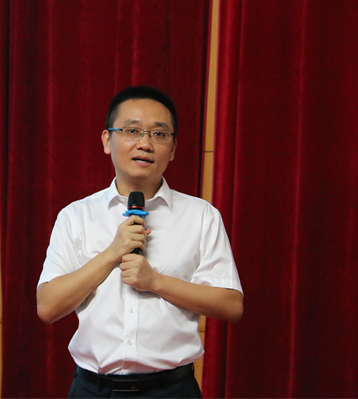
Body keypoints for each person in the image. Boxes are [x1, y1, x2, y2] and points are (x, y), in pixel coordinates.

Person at [37, 86, 243, 398]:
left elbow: (231, 305)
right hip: (93, 389)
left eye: (159, 134)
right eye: (132, 130)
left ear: (172, 149)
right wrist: (112, 253)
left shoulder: (201, 216)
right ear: (107, 140)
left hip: (172, 390)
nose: (145, 143)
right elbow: (48, 307)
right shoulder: (76, 216)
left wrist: (156, 282)